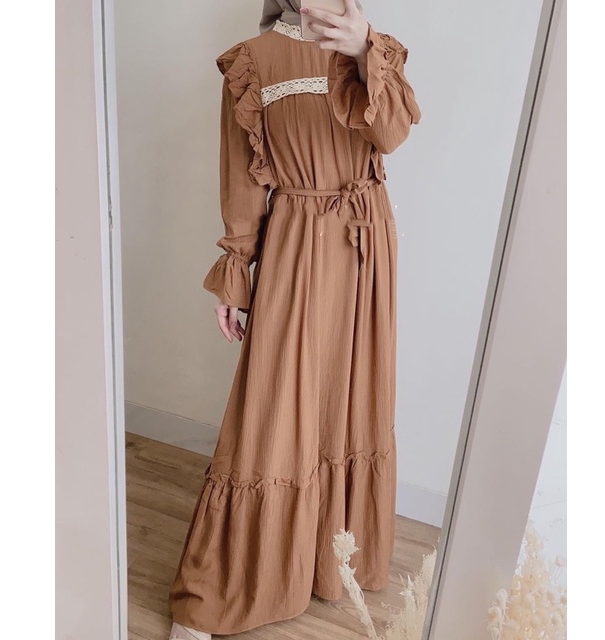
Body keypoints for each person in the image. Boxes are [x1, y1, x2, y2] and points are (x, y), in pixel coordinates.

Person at [168, 1, 421, 638]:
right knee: (276, 405)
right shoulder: (253, 62)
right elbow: (242, 181)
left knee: (351, 397)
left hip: (366, 243)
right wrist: (236, 272)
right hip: (298, 242)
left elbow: (393, 135)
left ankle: (329, 562)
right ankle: (237, 580)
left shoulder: (374, 47)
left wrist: (364, 49)